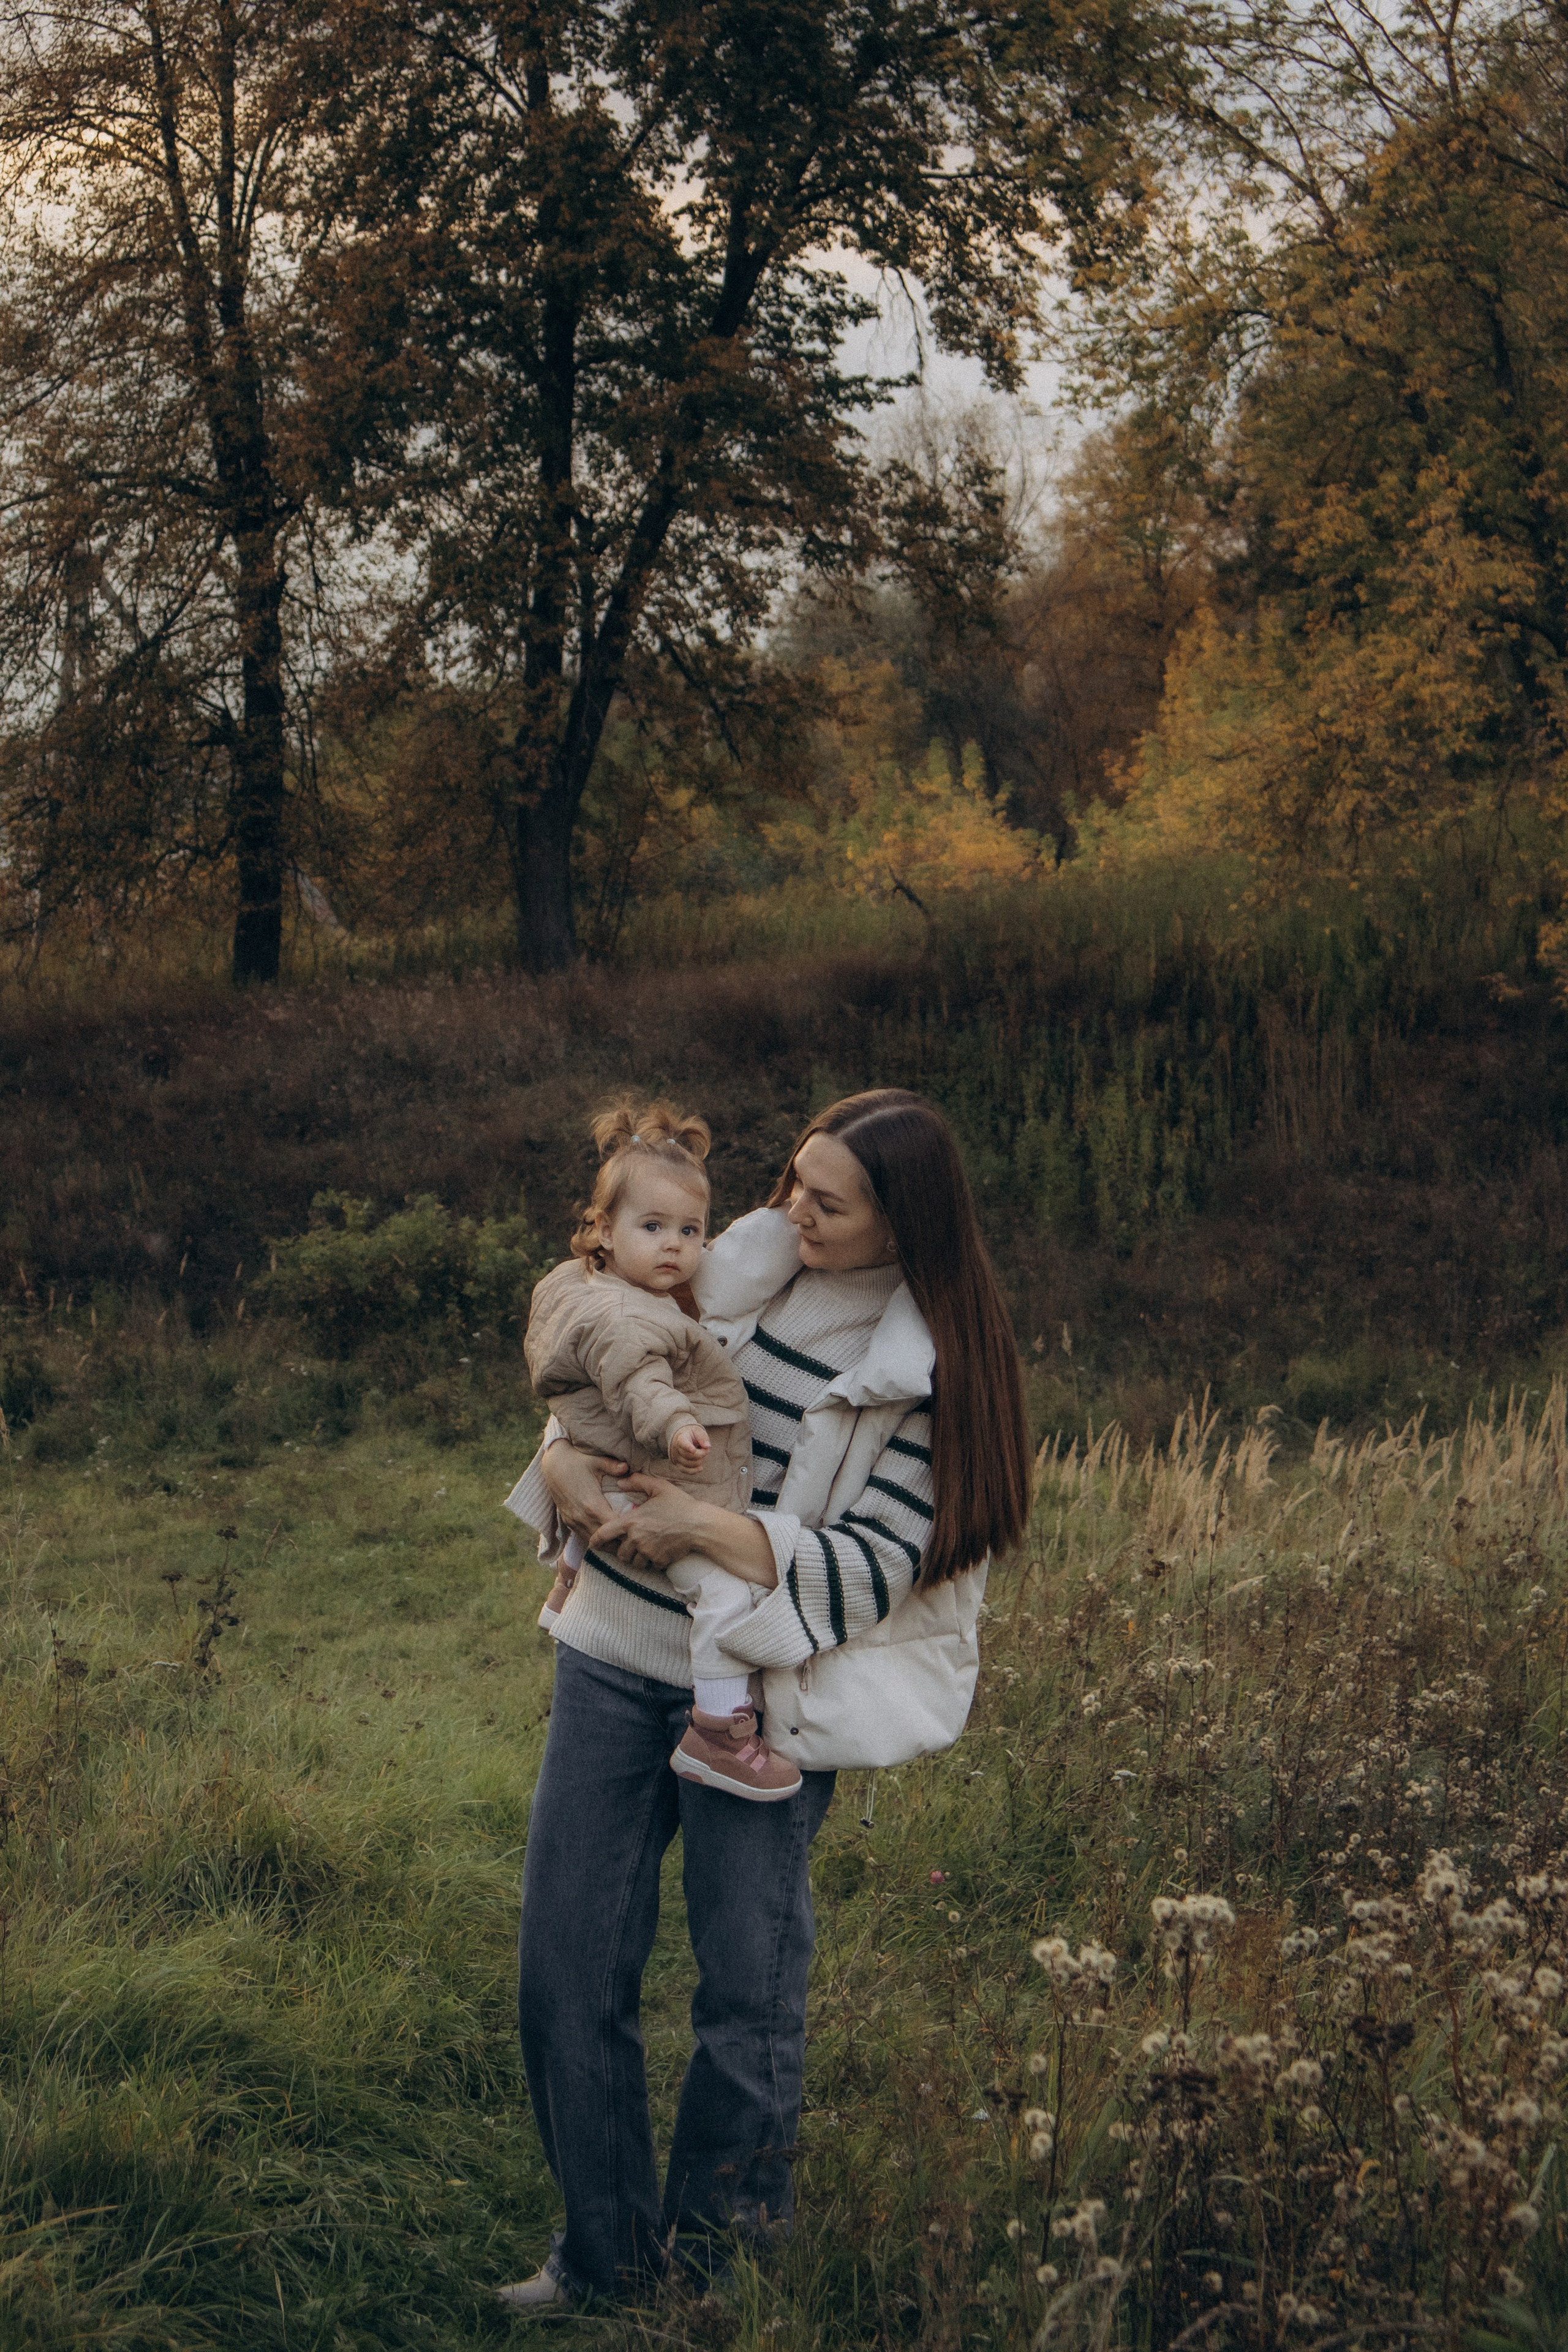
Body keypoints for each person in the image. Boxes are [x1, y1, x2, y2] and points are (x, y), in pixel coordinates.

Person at [498, 1088, 1033, 2314]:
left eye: (826, 1201)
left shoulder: (926, 1372)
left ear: (904, 1223)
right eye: (792, 1179)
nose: (790, 1210)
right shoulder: (726, 1270)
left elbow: (872, 1570)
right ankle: (603, 2260)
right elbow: (603, 1375)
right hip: (611, 1659)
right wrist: (561, 1461)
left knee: (745, 2002)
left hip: (762, 1704)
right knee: (563, 1972)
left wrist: (707, 1527)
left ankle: (716, 2276)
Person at [524, 1099, 801, 1799]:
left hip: (604, 1462)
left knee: (601, 1504)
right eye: (652, 1228)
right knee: (721, 1593)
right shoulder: (628, 1314)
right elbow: (638, 1380)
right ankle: (717, 1725)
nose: (675, 1247)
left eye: (690, 1230)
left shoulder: (580, 1284)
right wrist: (678, 1426)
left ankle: (566, 1577)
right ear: (603, 1231)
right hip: (643, 1472)